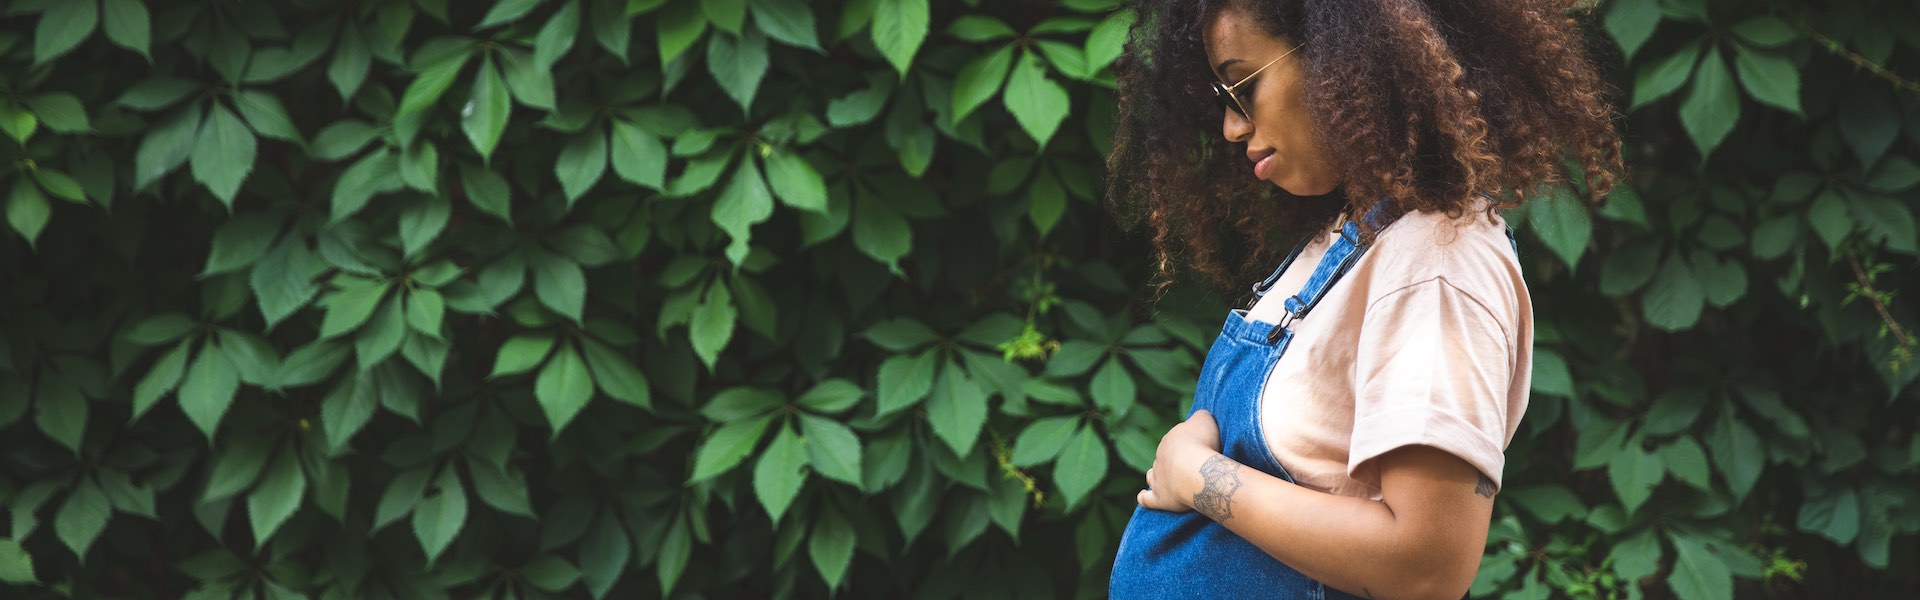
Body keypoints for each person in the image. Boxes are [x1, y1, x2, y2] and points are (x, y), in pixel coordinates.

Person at [1103, 0, 1622, 598]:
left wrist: (1198, 476)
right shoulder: (1355, 241)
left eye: (1242, 86)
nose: (1232, 127)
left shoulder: (1437, 260)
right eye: (1221, 101)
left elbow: (1427, 565)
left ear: (1335, 54)